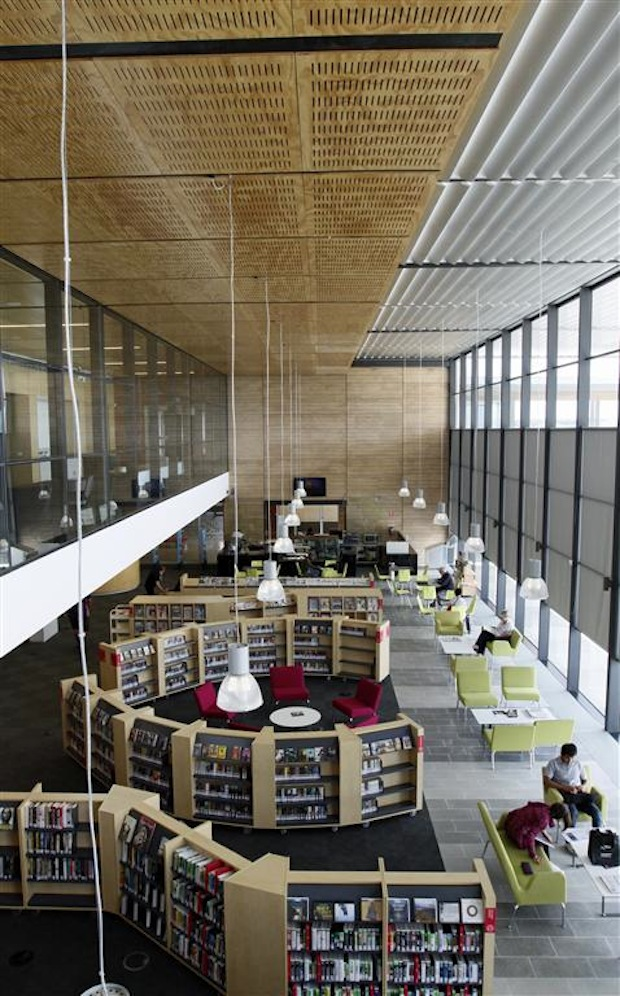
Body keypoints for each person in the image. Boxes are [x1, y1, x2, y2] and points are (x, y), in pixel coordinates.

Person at [543, 743, 603, 828]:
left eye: (572, 757)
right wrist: (564, 788)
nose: (570, 760)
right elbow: (547, 781)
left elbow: (585, 780)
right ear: (562, 755)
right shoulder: (553, 764)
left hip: (579, 794)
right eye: (567, 757)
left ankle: (597, 836)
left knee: (596, 812)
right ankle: (570, 837)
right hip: (566, 795)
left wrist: (582, 786)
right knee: (573, 813)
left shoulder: (577, 763)